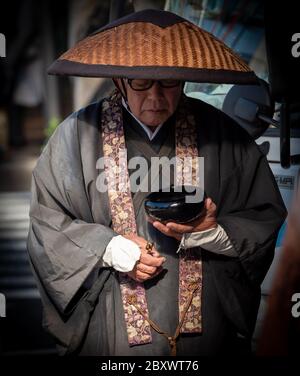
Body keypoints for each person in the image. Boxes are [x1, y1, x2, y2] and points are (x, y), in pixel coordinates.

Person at [27, 9, 286, 356]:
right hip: (113, 327)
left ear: (183, 80)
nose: (155, 98)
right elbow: (47, 222)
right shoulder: (77, 136)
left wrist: (211, 232)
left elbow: (263, 216)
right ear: (119, 81)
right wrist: (109, 248)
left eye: (168, 83)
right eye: (141, 83)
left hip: (205, 328)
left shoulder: (224, 136)